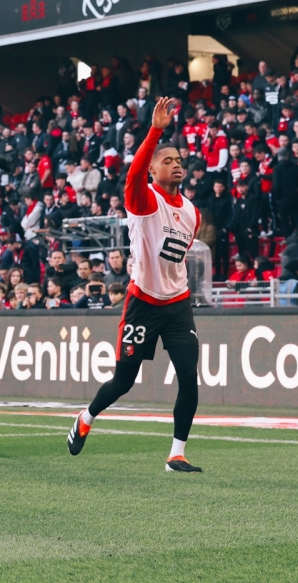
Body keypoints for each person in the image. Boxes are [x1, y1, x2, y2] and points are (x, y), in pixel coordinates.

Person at [67, 98, 203, 473]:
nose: (176, 164)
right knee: (124, 381)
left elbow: (177, 257)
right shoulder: (144, 199)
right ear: (153, 169)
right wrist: (155, 130)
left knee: (189, 376)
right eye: (167, 160)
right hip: (143, 301)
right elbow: (133, 174)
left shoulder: (192, 211)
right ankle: (87, 416)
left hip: (177, 304)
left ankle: (177, 453)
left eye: (179, 160)